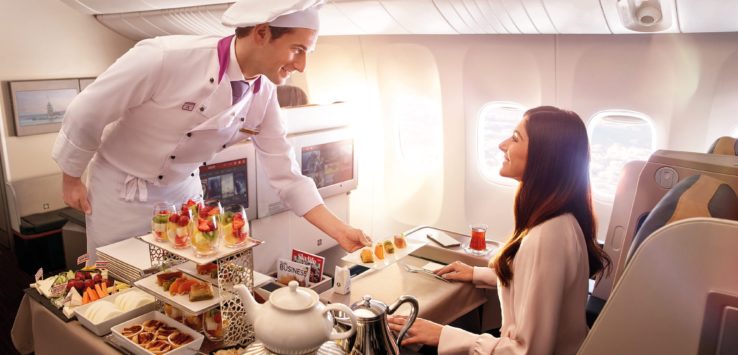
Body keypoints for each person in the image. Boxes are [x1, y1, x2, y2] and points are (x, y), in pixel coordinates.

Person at [51, 0, 371, 261]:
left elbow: (285, 174)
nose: (301, 66)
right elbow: (86, 110)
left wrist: (340, 231)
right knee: (116, 283)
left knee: (179, 285)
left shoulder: (262, 92)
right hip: (122, 193)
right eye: (297, 50)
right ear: (261, 33)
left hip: (182, 194)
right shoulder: (165, 57)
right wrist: (72, 178)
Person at [389, 106, 611, 354]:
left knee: (410, 344)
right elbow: (535, 282)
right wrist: (477, 273)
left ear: (544, 156)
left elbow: (528, 352)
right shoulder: (562, 220)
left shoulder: (546, 237)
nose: (502, 145)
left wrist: (442, 334)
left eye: (515, 138)